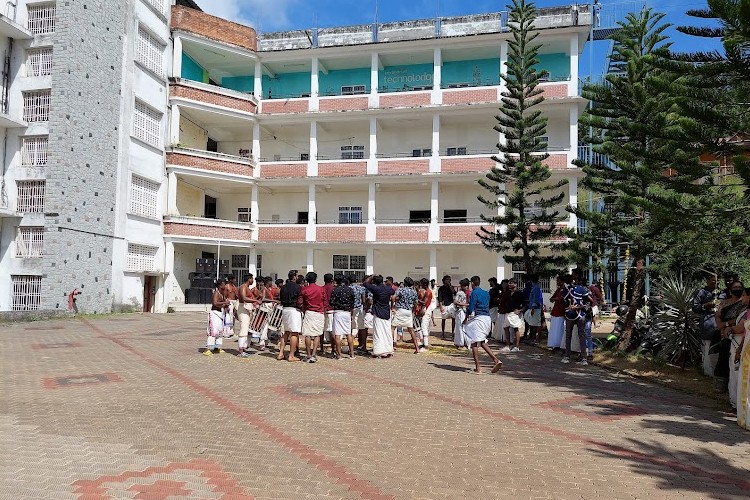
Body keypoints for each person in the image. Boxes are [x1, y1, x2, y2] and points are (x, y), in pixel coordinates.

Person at [463, 276, 503, 373]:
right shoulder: (486, 293)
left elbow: (471, 307)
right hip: (487, 318)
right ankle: (495, 360)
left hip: (479, 318)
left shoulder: (474, 293)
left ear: (472, 283)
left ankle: (478, 367)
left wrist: (466, 318)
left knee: (473, 341)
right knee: (482, 341)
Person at [715, 280, 747, 393]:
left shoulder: (744, 303)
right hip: (725, 334)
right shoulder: (725, 303)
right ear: (730, 290)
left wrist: (726, 325)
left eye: (739, 287)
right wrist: (720, 325)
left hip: (736, 335)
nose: (737, 289)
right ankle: (722, 386)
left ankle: (735, 391)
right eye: (735, 287)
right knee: (723, 358)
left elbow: (741, 320)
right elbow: (718, 315)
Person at [726, 288, 750, 409]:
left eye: (744, 295)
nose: (742, 298)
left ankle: (737, 404)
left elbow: (742, 329)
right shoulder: (745, 311)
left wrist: (730, 329)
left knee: (738, 374)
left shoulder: (748, 313)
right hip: (740, 345)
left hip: (743, 346)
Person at [692, 272, 720, 376]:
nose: (715, 283)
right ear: (707, 281)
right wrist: (707, 305)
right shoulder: (701, 292)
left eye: (717, 281)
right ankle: (708, 373)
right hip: (708, 324)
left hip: (720, 325)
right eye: (713, 281)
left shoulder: (721, 293)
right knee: (707, 347)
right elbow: (695, 307)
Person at [562, 274, 592, 365]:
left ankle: (569, 356)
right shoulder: (570, 290)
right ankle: (583, 358)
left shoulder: (565, 290)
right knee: (580, 336)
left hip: (576, 315)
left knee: (570, 336)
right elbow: (590, 301)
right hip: (575, 315)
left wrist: (577, 307)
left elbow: (589, 302)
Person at [298, 272, 328, 363]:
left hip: (309, 312)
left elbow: (300, 302)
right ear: (315, 279)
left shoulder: (304, 290)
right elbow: (325, 302)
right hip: (319, 313)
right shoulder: (321, 289)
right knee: (317, 334)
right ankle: (314, 354)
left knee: (307, 334)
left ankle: (308, 354)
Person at [363, 274, 396, 358]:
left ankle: (379, 351)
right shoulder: (388, 288)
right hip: (386, 312)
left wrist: (371, 276)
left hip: (378, 312)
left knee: (378, 333)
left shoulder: (376, 289)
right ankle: (388, 349)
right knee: (387, 332)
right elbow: (393, 291)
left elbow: (365, 283)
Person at [391, 277, 421, 354]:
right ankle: (417, 348)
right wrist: (413, 310)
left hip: (400, 310)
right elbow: (416, 303)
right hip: (409, 311)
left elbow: (393, 297)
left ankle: (390, 346)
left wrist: (392, 306)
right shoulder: (413, 291)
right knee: (411, 330)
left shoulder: (400, 290)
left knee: (393, 327)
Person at [330, 275, 356, 359]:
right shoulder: (350, 289)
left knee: (337, 334)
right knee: (348, 333)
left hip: (338, 312)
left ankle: (339, 354)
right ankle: (352, 353)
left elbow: (331, 302)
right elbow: (353, 302)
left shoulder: (335, 290)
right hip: (347, 312)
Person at [278, 270, 302, 362]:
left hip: (285, 310)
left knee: (286, 332)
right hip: (294, 310)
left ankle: (280, 353)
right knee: (294, 332)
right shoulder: (298, 287)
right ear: (295, 277)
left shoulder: (283, 287)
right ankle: (291, 355)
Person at [204, 278, 230, 356]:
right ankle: (208, 349)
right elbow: (215, 303)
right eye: (223, 284)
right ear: (219, 285)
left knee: (220, 331)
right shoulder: (216, 293)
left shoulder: (222, 293)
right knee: (213, 331)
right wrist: (225, 302)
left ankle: (218, 347)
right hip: (214, 314)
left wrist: (226, 306)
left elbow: (222, 304)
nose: (225, 285)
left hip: (220, 313)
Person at [501, 279, 524, 353]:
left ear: (515, 284)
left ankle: (517, 346)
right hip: (507, 312)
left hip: (514, 313)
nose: (509, 285)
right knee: (506, 328)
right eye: (509, 283)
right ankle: (507, 345)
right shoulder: (508, 293)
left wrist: (520, 310)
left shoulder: (519, 293)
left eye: (511, 283)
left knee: (515, 329)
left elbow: (525, 303)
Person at [236, 274, 256, 358]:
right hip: (243, 308)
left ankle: (244, 349)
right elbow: (244, 298)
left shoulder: (247, 287)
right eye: (252, 279)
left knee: (246, 328)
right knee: (244, 329)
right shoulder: (243, 287)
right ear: (249, 279)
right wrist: (255, 300)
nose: (253, 281)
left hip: (246, 309)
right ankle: (241, 350)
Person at [349, 276, 368, 353]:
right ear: (356, 280)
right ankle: (363, 345)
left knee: (352, 328)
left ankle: (351, 347)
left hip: (351, 309)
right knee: (362, 327)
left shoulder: (349, 288)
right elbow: (363, 299)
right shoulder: (361, 288)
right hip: (359, 309)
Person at [547, 275, 566, 352]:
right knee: (554, 329)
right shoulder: (558, 290)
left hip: (561, 312)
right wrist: (555, 299)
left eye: (558, 281)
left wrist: (556, 299)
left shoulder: (565, 290)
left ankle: (560, 345)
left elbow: (562, 299)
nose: (557, 282)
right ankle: (554, 344)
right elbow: (551, 299)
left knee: (560, 329)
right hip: (555, 312)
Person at [523, 274, 544, 345]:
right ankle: (533, 338)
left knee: (536, 324)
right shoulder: (534, 287)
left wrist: (533, 308)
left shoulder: (536, 288)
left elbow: (536, 299)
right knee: (532, 323)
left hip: (535, 308)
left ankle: (536, 339)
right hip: (532, 307)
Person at [418, 278, 435, 350]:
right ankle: (425, 344)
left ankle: (426, 345)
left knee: (424, 327)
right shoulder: (428, 291)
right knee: (425, 327)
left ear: (424, 284)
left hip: (427, 310)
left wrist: (417, 300)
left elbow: (424, 303)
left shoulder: (428, 292)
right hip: (427, 310)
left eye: (421, 284)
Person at [453, 278, 471, 348]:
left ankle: (463, 341)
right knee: (460, 327)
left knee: (464, 327)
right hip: (461, 311)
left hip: (465, 311)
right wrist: (465, 305)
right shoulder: (460, 293)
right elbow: (455, 302)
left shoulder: (468, 292)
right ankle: (460, 342)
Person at [322, 273, 336, 355]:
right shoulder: (333, 289)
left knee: (322, 330)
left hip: (323, 310)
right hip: (331, 310)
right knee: (331, 330)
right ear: (331, 280)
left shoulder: (321, 288)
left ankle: (320, 347)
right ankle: (333, 349)